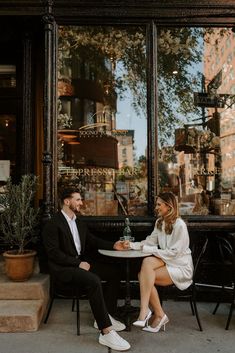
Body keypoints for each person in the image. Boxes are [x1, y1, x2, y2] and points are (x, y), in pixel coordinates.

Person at [42, 187, 130, 351]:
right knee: (93, 280)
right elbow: (54, 254)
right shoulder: (53, 224)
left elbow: (93, 241)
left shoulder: (78, 222)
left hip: (79, 264)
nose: (81, 203)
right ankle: (106, 332)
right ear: (67, 202)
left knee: (114, 272)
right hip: (64, 269)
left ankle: (105, 316)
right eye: (78, 200)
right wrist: (77, 264)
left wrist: (114, 245)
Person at [123, 192, 193, 333]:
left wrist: (151, 249)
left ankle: (150, 313)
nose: (156, 207)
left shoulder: (179, 225)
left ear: (168, 206)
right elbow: (149, 242)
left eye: (159, 204)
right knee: (147, 265)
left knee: (143, 275)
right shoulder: (159, 222)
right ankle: (154, 313)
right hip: (167, 261)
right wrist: (130, 245)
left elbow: (174, 253)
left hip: (180, 266)